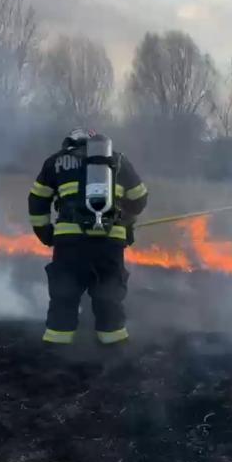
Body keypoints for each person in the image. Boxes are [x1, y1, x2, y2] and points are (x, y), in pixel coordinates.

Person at [27, 128, 148, 345]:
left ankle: (56, 354)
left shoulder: (55, 162)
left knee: (64, 297)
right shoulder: (119, 160)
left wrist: (46, 234)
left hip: (69, 243)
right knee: (109, 298)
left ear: (71, 143)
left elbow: (37, 199)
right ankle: (115, 354)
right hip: (110, 243)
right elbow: (139, 198)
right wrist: (123, 220)